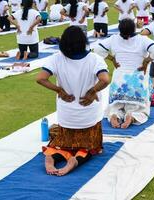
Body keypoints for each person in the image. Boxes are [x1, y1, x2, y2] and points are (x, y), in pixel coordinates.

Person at [36, 26, 110, 176]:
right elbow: (105, 79)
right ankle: (75, 160)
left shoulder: (56, 58)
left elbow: (40, 78)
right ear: (83, 41)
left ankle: (51, 157)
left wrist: (59, 91)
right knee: (90, 147)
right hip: (88, 116)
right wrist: (92, 92)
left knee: (63, 145)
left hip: (67, 116)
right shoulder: (94, 59)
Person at [94, 19, 154, 128]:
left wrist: (112, 59)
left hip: (119, 80)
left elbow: (97, 49)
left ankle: (114, 115)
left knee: (116, 106)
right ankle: (132, 115)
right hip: (137, 81)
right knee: (139, 108)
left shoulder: (114, 39)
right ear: (134, 28)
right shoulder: (142, 39)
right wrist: (146, 61)